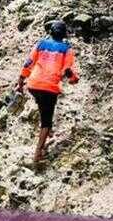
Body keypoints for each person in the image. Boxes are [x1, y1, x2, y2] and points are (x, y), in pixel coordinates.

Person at [16, 20, 80, 165]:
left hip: (33, 85)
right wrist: (74, 79)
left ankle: (49, 132)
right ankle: (38, 154)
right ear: (64, 35)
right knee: (46, 120)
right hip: (49, 87)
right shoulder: (66, 49)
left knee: (43, 106)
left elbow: (29, 62)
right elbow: (67, 70)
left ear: (50, 32)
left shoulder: (41, 44)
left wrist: (20, 81)